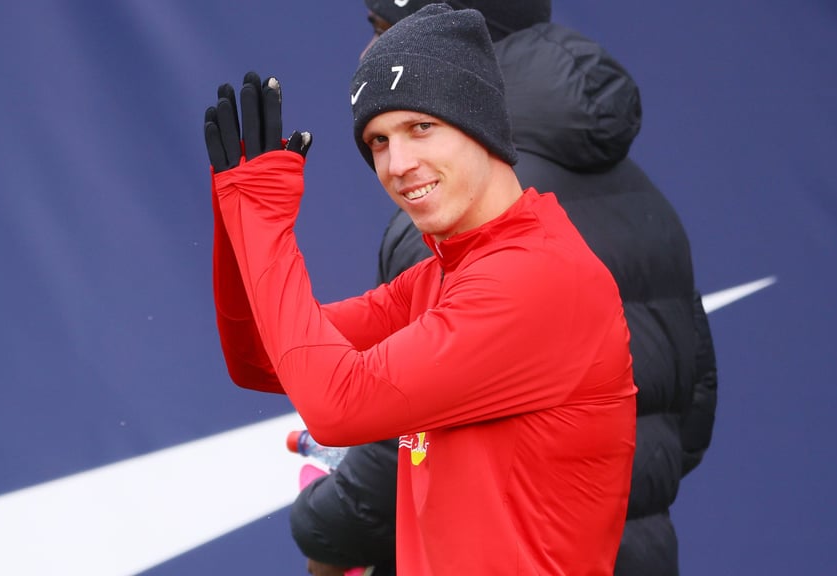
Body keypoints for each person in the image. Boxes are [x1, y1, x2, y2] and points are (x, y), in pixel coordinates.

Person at [204, 5, 637, 575]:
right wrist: (237, 215)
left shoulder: (538, 278)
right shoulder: (444, 274)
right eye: (378, 141)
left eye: (420, 127)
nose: (399, 163)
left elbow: (337, 406)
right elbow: (260, 358)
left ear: (478, 123)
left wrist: (262, 221)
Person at [289, 1, 719, 575]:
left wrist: (321, 524)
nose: (372, 54)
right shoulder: (648, 200)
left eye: (386, 31)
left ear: (461, 42)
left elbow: (399, 438)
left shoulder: (455, 208)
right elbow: (691, 412)